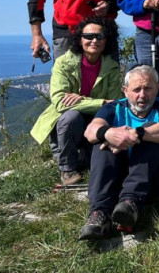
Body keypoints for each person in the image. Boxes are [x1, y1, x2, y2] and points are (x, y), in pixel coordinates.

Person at [78, 65, 159, 240]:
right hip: (120, 176)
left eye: (148, 88)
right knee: (102, 142)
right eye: (136, 89)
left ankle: (129, 204)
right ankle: (100, 214)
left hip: (155, 178)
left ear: (157, 88)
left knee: (150, 135)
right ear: (125, 91)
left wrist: (137, 134)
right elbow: (90, 131)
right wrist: (109, 133)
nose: (142, 95)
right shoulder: (115, 108)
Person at [30, 17, 123, 185]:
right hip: (69, 125)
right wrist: (100, 103)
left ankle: (85, 159)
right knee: (71, 116)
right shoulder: (64, 63)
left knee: (94, 164)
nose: (94, 40)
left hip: (95, 124)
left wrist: (83, 101)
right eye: (88, 36)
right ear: (80, 39)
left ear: (106, 39)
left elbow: (114, 104)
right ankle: (67, 169)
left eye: (100, 37)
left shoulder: (111, 66)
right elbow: (59, 101)